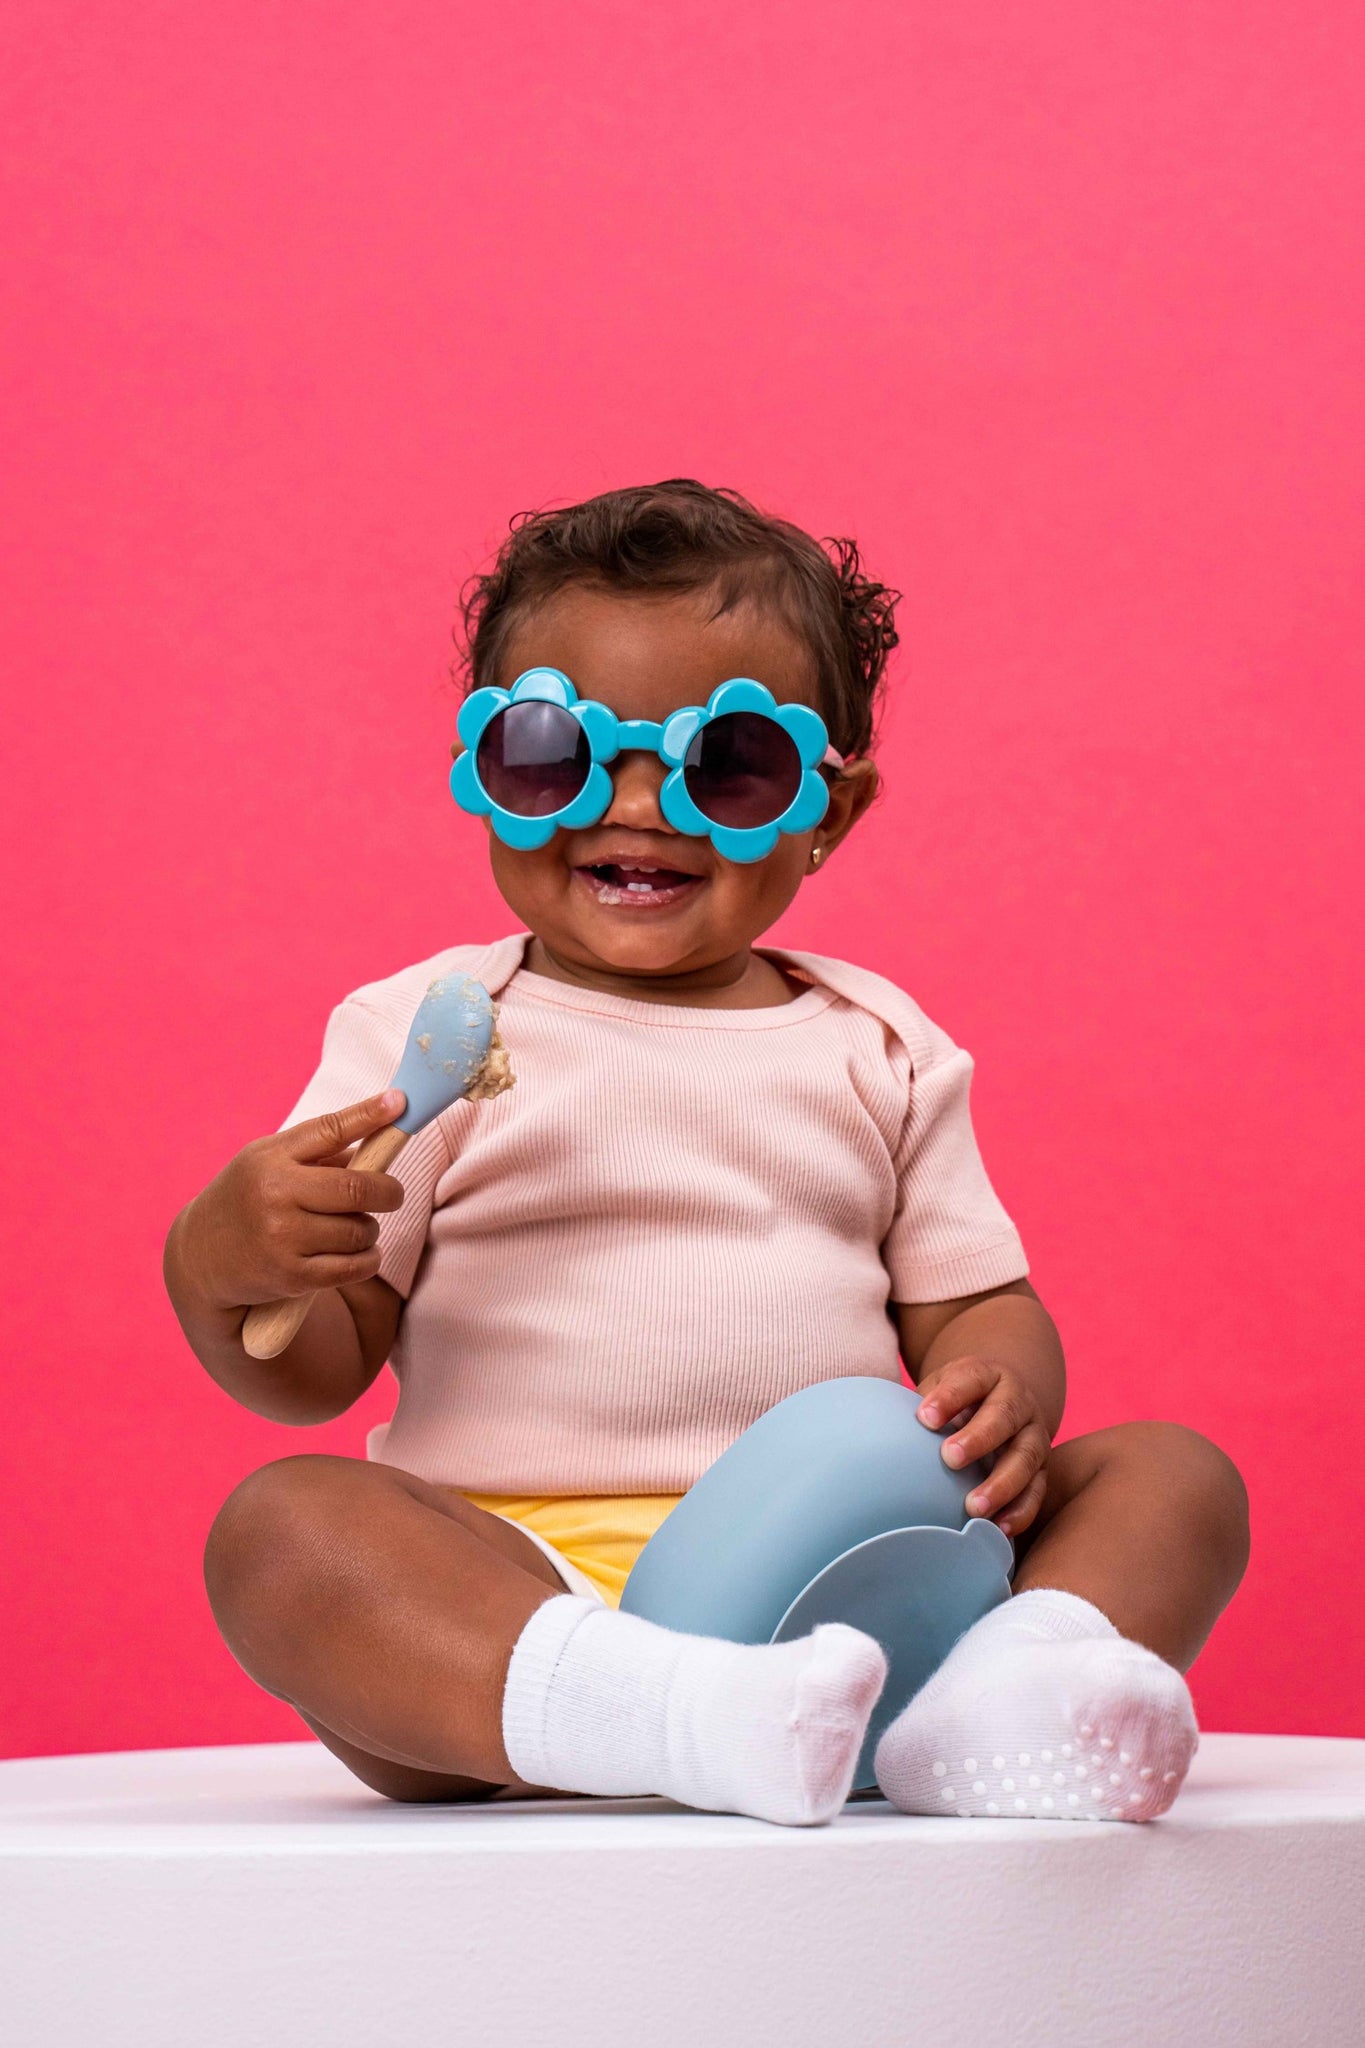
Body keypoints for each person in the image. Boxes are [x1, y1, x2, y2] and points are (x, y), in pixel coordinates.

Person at [164, 479, 1249, 1826]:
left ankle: (999, 1692)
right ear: (486, 775)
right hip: (513, 1589)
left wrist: (1002, 1390)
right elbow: (317, 1367)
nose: (634, 804)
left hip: (851, 1577)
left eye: (727, 764)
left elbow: (972, 1299)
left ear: (825, 815)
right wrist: (229, 1268)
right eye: (552, 752)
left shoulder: (878, 1043)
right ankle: (667, 1717)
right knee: (284, 1531)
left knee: (1172, 1479)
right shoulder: (431, 1031)